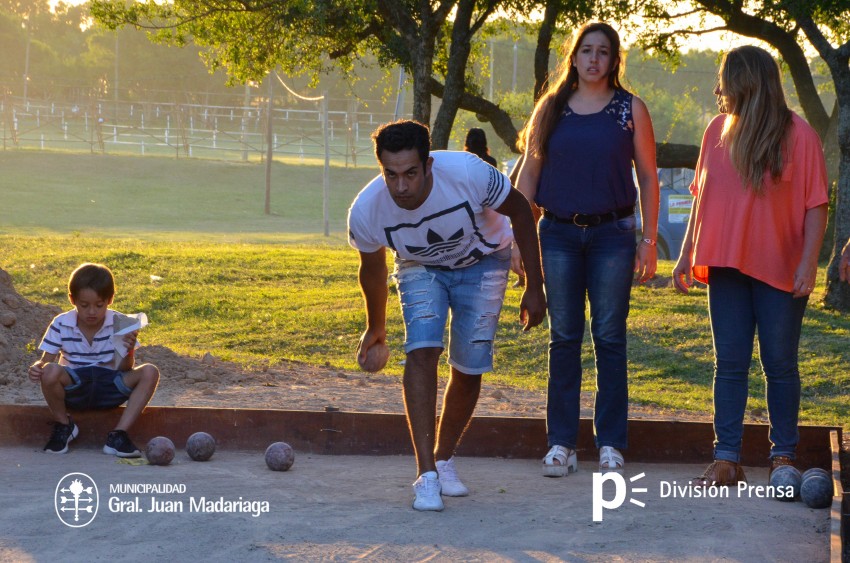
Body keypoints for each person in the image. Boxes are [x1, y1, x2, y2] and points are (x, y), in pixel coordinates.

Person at [348, 119, 546, 511]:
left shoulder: (469, 173)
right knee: (422, 350)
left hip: (485, 260)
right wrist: (376, 326)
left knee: (470, 366)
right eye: (391, 174)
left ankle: (444, 457)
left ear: (429, 165)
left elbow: (523, 212)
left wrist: (535, 286)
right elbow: (371, 269)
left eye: (410, 173)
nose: (401, 186)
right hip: (420, 266)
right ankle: (427, 475)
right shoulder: (367, 210)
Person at [672, 46, 829, 486]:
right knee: (730, 363)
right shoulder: (715, 131)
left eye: (725, 79)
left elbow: (817, 205)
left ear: (747, 83)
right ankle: (727, 458)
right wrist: (686, 253)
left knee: (779, 364)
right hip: (724, 265)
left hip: (780, 268)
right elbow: (702, 199)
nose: (718, 89)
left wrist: (809, 264)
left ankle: (783, 456)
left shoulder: (799, 134)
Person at [514, 21, 659, 476]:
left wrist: (649, 240)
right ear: (572, 57)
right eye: (586, 50)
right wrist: (517, 241)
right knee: (564, 339)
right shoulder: (550, 109)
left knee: (611, 339)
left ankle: (611, 444)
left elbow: (650, 179)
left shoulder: (630, 109)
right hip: (556, 234)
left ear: (615, 60)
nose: (594, 58)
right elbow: (529, 177)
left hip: (613, 236)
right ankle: (561, 444)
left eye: (603, 52)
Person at [28, 263, 160, 457]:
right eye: (84, 305)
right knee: (49, 370)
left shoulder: (121, 323)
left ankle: (118, 435)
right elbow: (45, 362)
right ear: (72, 299)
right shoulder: (60, 323)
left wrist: (128, 349)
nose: (92, 312)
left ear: (110, 300)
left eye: (99, 305)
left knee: (150, 371)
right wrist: (37, 368)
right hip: (75, 387)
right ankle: (65, 427)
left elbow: (124, 367)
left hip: (110, 386)